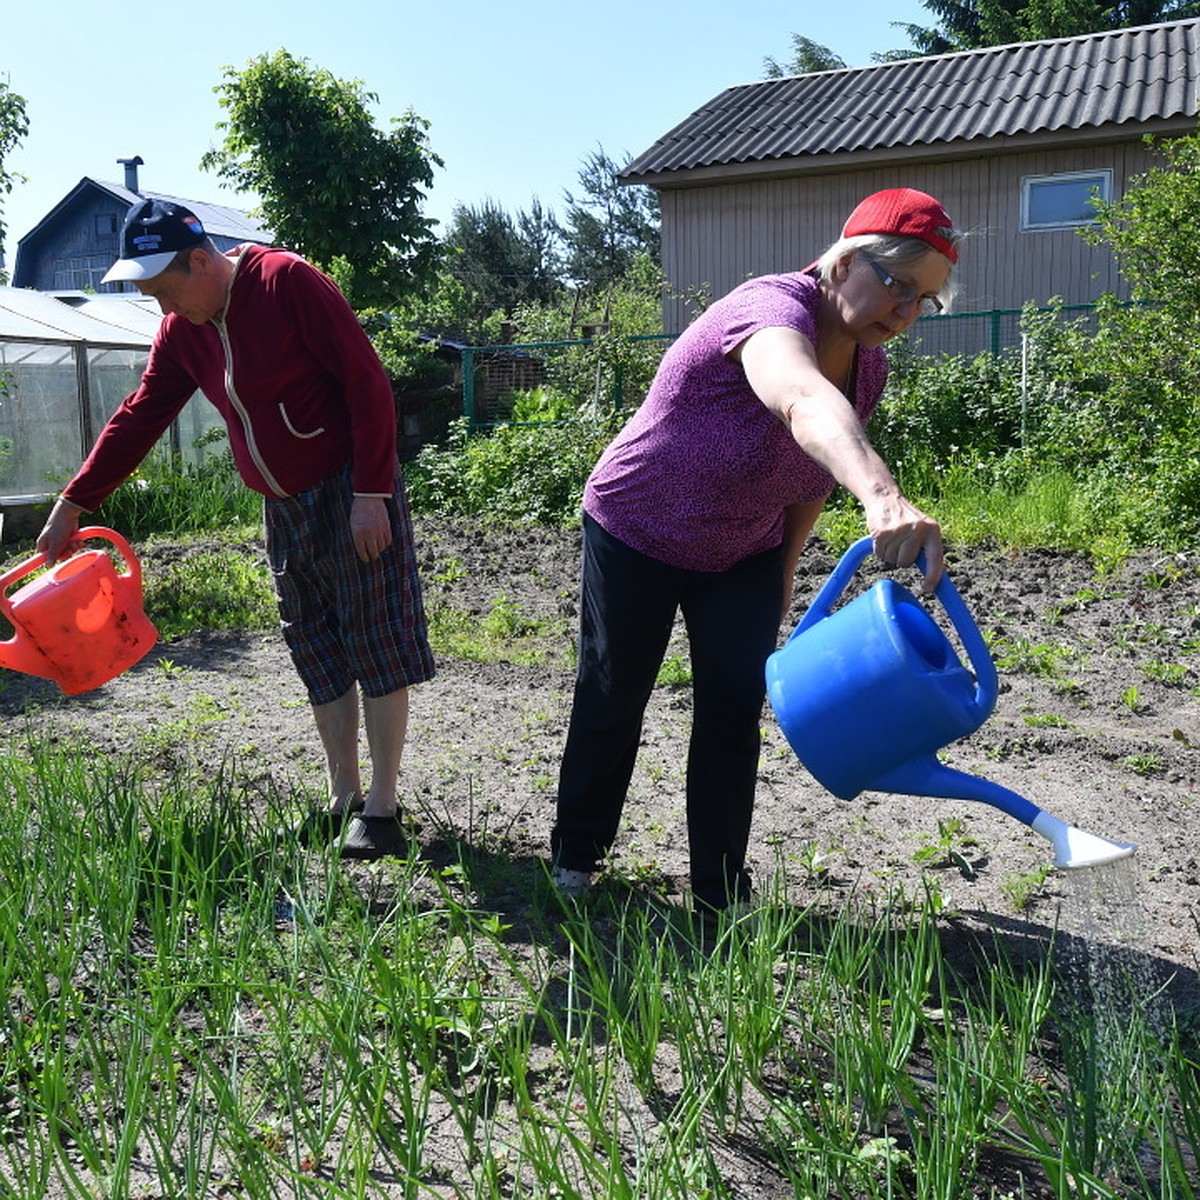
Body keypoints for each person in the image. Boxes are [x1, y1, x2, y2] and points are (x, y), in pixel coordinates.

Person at [551, 187, 963, 913]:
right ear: (842, 263)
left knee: (734, 709)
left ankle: (718, 889)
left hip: (742, 550)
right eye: (896, 284)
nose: (902, 311)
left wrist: (781, 571)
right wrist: (885, 497)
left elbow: (809, 474)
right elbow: (801, 401)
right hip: (637, 527)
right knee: (616, 695)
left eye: (922, 301)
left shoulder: (869, 368)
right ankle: (576, 858)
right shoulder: (769, 310)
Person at [36, 198, 434, 860]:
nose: (164, 310)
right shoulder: (182, 331)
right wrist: (75, 502)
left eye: (165, 292)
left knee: (376, 637)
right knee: (316, 646)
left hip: (348, 486)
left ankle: (385, 810)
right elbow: (139, 415)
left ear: (199, 261)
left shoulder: (286, 283)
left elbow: (367, 383)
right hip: (281, 503)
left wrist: (371, 493)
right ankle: (343, 800)